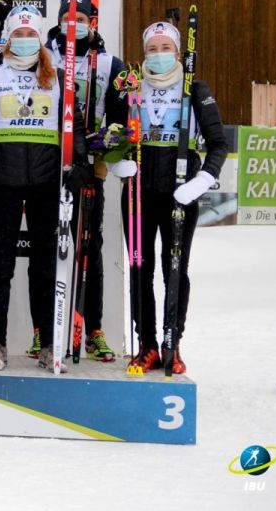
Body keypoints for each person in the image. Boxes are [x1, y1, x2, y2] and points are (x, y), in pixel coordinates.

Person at [0, 5, 74, 372]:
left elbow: (72, 128)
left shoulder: (58, 77)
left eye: (31, 34)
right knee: (1, 266)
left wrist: (76, 167)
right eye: (18, 34)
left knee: (44, 268)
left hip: (46, 183)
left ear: (40, 39)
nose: (24, 40)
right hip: (3, 182)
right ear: (8, 39)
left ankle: (46, 344)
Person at [118, 20, 226, 375]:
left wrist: (202, 180)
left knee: (175, 270)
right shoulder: (131, 85)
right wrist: (117, 161)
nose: (159, 54)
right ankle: (147, 344)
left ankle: (171, 342)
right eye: (152, 49)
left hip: (180, 194)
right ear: (144, 53)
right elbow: (111, 132)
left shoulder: (194, 87)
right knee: (140, 269)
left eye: (166, 48)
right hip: (138, 194)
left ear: (178, 53)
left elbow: (218, 144)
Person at [42, 0, 127, 362]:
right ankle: (44, 330)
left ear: (92, 22)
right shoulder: (42, 56)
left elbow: (120, 120)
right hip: (48, 162)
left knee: (89, 246)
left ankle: (92, 330)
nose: (72, 25)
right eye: (67, 19)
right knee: (48, 246)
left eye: (79, 19)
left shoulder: (110, 64)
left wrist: (108, 141)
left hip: (90, 165)